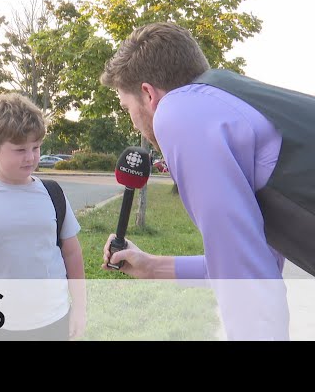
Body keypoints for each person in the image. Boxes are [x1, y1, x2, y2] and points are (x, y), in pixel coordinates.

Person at [100, 21, 315, 340]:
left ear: (148, 94)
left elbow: (248, 285)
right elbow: (252, 261)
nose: (133, 123)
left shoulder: (179, 112)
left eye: (126, 107)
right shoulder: (227, 98)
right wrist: (151, 267)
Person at [0, 93, 86, 341]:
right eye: (20, 149)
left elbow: (72, 254)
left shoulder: (53, 195)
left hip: (54, 322)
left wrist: (80, 309)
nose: (31, 157)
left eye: (36, 147)